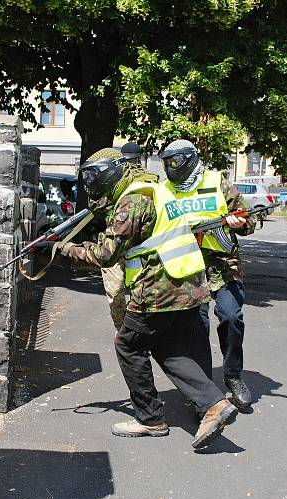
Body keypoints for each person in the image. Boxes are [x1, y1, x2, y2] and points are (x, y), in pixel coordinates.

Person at [55, 152, 238, 449]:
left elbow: (104, 254)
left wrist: (62, 250)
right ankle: (214, 404)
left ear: (112, 172)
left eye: (94, 177)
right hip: (188, 283)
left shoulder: (132, 200)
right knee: (167, 348)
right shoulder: (155, 188)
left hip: (159, 289)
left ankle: (150, 418)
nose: (91, 184)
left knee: (128, 344)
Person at [158, 140, 255, 409]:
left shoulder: (217, 182)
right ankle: (204, 392)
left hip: (223, 263)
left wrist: (240, 222)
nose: (170, 168)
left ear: (188, 160)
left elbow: (249, 220)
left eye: (174, 162)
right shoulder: (164, 190)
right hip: (187, 265)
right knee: (196, 326)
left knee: (231, 316)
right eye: (167, 163)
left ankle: (233, 375)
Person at [83, 147, 158, 330]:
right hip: (121, 239)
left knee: (121, 290)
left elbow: (96, 206)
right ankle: (127, 331)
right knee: (119, 290)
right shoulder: (121, 179)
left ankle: (128, 333)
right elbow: (96, 204)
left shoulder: (143, 182)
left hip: (131, 243)